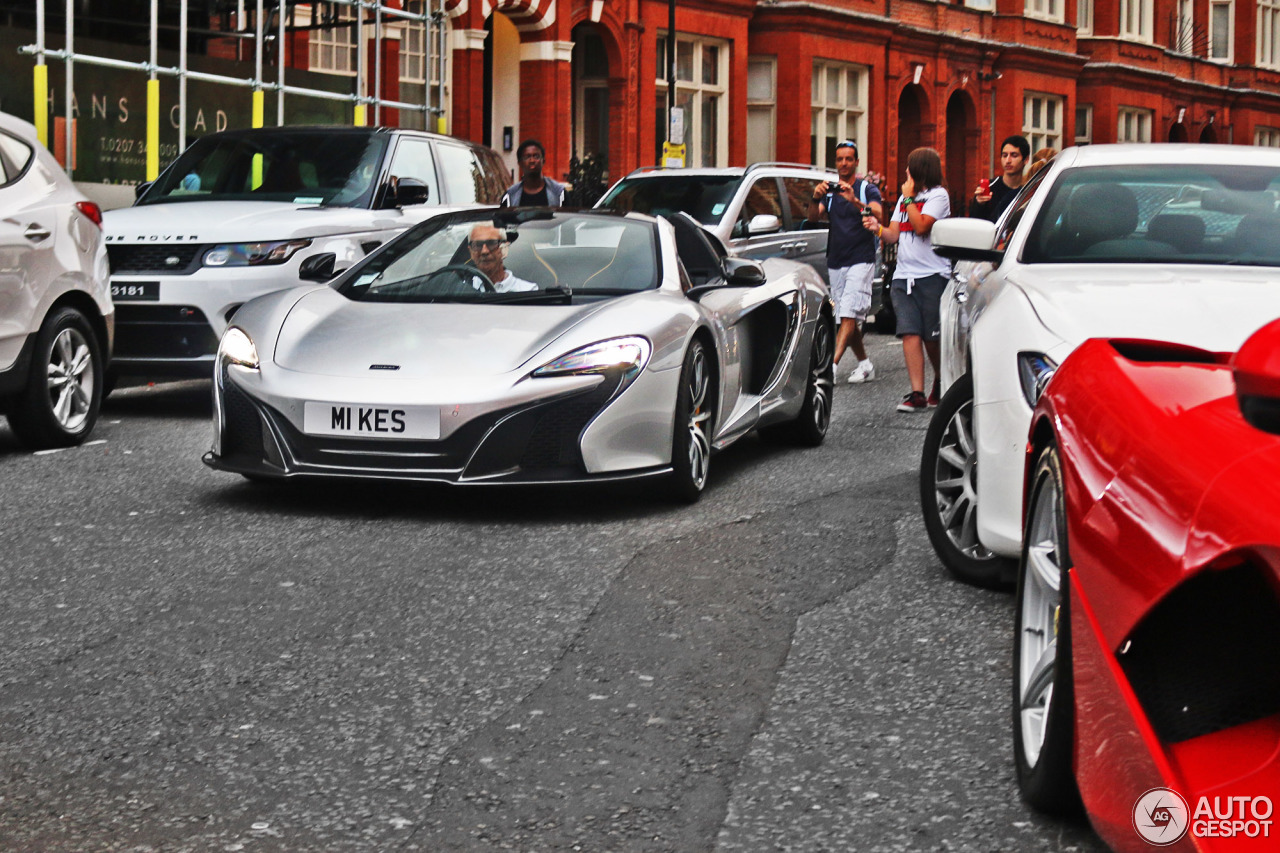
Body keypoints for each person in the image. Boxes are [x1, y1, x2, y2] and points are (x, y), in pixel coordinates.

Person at [863, 147, 951, 413]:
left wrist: (909, 199)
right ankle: (917, 392)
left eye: (909, 168)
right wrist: (876, 228)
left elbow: (923, 226)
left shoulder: (939, 196)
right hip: (904, 275)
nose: (905, 173)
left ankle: (940, 378)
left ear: (921, 169)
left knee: (931, 337)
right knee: (910, 333)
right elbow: (893, 234)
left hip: (932, 274)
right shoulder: (904, 200)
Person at [808, 140, 883, 383]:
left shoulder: (866, 189)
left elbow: (878, 214)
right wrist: (815, 196)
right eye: (839, 159)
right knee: (844, 317)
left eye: (848, 159)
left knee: (849, 314)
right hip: (836, 259)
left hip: (861, 259)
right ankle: (865, 364)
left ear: (856, 162)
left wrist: (854, 201)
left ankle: (831, 366)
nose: (843, 163)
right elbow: (812, 217)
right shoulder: (830, 191)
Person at [969, 134, 1029, 222]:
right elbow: (974, 223)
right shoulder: (989, 188)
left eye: (1014, 155)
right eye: (1004, 155)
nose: (1008, 161)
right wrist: (979, 204)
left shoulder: (1029, 190)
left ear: (1026, 160)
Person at [467, 222, 538, 292]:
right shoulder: (460, 289)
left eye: (491, 243)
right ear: (470, 252)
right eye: (478, 245)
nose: (484, 251)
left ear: (504, 248)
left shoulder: (528, 291)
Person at [502, 139, 565, 207]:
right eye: (527, 157)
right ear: (519, 163)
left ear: (543, 161)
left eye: (536, 156)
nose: (532, 160)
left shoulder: (559, 193)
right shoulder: (510, 195)